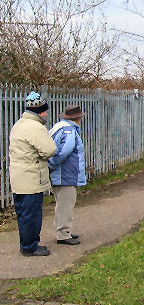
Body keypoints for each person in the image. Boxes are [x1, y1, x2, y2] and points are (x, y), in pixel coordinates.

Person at [9, 91, 57, 257]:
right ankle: (31, 247)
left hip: (19, 177)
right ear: (40, 111)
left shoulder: (19, 124)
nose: (46, 113)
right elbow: (50, 149)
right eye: (45, 110)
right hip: (31, 177)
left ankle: (26, 244)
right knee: (32, 215)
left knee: (23, 214)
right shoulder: (35, 127)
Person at [48, 105, 87, 245]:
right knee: (66, 203)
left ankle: (63, 231)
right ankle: (63, 234)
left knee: (61, 203)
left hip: (61, 173)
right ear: (78, 118)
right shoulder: (69, 130)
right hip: (66, 174)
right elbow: (65, 151)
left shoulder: (59, 127)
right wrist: (53, 164)